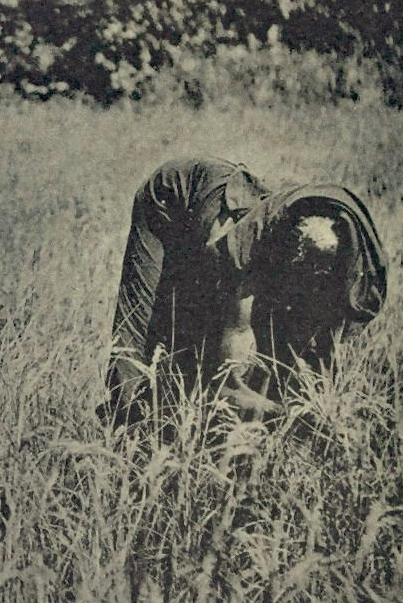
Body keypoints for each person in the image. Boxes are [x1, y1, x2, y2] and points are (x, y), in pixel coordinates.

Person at [102, 157, 386, 425]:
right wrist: (280, 413)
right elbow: (229, 374)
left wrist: (321, 405)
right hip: (169, 197)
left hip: (227, 204)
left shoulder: (352, 267)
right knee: (152, 328)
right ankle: (123, 423)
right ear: (289, 265)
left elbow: (320, 355)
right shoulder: (249, 261)